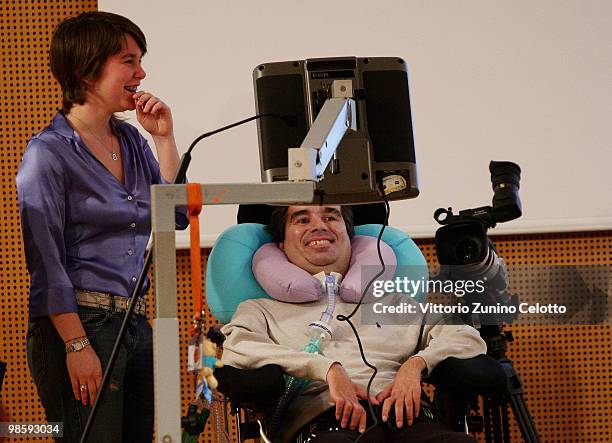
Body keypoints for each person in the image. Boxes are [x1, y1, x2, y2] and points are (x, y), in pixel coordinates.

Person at [16, 11, 187, 442]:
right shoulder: (48, 153)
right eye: (128, 60)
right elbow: (46, 262)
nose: (141, 72)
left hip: (135, 323)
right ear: (85, 70)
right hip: (81, 327)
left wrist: (163, 139)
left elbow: (175, 215)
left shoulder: (131, 140)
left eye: (140, 59)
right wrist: (76, 345)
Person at [221, 205, 487, 442]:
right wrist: (328, 370)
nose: (319, 226)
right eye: (302, 220)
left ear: (351, 237)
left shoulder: (396, 303)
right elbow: (238, 348)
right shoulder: (260, 309)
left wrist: (417, 365)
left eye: (331, 216)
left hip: (409, 416)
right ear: (280, 245)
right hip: (325, 422)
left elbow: (465, 337)